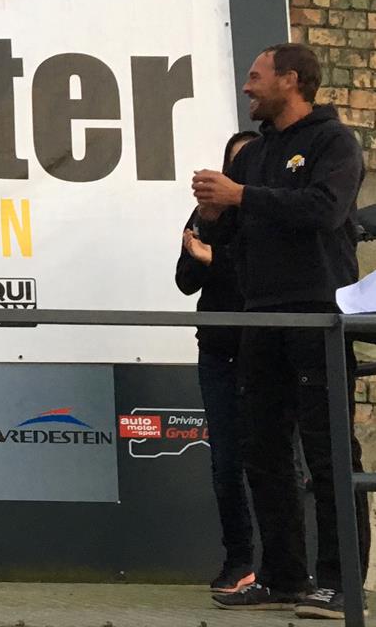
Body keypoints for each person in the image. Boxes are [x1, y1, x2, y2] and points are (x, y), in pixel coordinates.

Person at [194, 43, 369, 618]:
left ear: (291, 80)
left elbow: (324, 210)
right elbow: (231, 236)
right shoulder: (255, 154)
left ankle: (341, 584)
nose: (247, 87)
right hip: (261, 314)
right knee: (262, 449)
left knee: (327, 451)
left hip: (317, 314)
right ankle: (284, 576)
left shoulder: (334, 142)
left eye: (256, 76)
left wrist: (241, 196)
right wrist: (215, 215)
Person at [176, 130, 259, 595]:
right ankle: (239, 560)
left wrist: (217, 259)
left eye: (251, 161)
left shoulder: (270, 212)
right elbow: (185, 279)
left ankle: (282, 568)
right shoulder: (206, 213)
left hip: (265, 350)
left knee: (273, 460)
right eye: (235, 162)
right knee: (225, 462)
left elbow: (267, 275)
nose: (241, 169)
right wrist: (205, 236)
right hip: (218, 351)